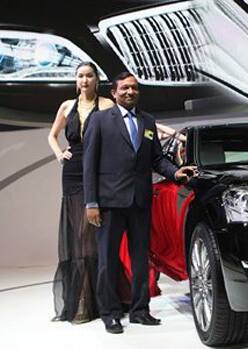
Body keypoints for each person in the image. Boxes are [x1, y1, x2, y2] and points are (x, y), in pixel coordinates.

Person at [83, 72, 197, 334]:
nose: (130, 92)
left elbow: (157, 159)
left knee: (140, 260)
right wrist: (91, 202)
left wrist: (175, 172)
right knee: (108, 262)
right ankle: (110, 313)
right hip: (109, 204)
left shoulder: (147, 121)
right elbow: (89, 165)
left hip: (140, 202)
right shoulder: (100, 120)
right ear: (114, 92)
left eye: (134, 88)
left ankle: (140, 310)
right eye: (124, 88)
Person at [48, 62, 115, 324]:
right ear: (76, 80)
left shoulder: (108, 104)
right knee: (78, 236)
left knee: (94, 233)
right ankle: (79, 301)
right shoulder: (67, 106)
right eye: (80, 76)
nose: (84, 80)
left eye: (89, 76)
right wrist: (59, 154)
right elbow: (53, 136)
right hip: (73, 172)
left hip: (99, 171)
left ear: (97, 80)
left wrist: (166, 133)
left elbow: (135, 120)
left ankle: (101, 300)